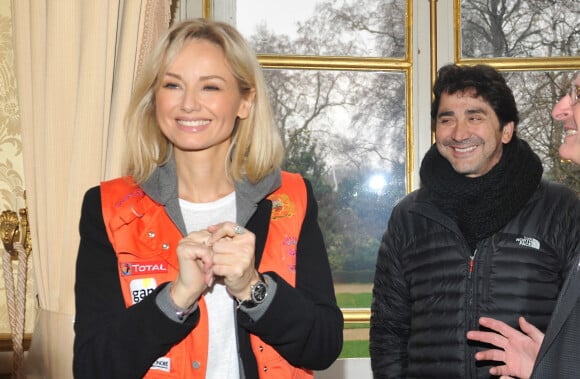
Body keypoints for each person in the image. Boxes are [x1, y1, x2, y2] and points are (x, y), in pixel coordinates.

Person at [73, 18, 343, 379]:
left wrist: (252, 287)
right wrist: (176, 298)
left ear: (245, 101)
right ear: (155, 98)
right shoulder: (107, 208)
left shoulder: (291, 199)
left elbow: (323, 346)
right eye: (172, 85)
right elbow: (92, 369)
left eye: (210, 87)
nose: (188, 104)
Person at [369, 64, 580, 379]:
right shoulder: (409, 217)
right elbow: (388, 332)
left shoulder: (559, 209)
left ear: (506, 130)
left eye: (475, 117)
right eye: (446, 119)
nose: (459, 133)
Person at [467, 72, 580, 379]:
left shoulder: (561, 207)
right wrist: (549, 366)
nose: (559, 109)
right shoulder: (411, 214)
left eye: (578, 94)